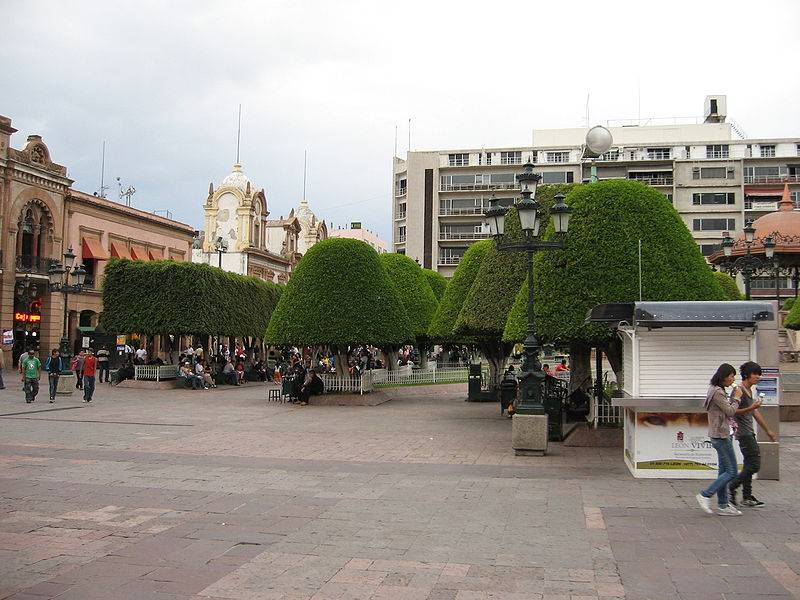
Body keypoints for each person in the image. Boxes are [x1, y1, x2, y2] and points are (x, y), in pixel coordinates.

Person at [696, 363, 761, 516]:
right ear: (724, 376)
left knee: (723, 470)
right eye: (731, 376)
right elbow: (730, 411)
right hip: (721, 435)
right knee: (732, 471)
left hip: (722, 433)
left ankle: (723, 504)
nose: (732, 379)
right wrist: (737, 397)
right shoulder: (718, 392)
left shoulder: (716, 389)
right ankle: (705, 494)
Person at [728, 361, 778, 508]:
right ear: (747, 375)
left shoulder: (749, 391)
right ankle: (731, 486)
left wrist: (768, 430)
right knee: (754, 465)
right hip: (743, 433)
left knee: (749, 465)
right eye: (755, 374)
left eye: (759, 374)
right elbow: (731, 411)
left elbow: (754, 412)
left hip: (749, 432)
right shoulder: (739, 390)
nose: (758, 376)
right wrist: (751, 407)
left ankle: (747, 496)